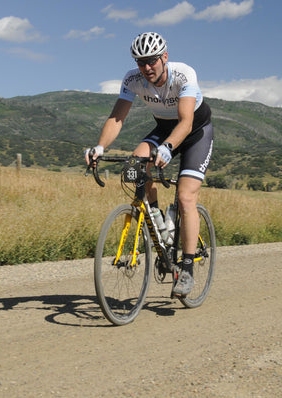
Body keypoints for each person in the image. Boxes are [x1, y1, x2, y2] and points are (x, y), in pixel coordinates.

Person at [84, 32, 214, 297]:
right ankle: (156, 218)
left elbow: (186, 122)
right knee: (134, 166)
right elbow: (117, 118)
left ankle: (187, 268)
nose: (146, 67)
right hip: (164, 128)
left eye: (152, 61)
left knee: (185, 197)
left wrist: (167, 147)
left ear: (164, 57)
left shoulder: (183, 75)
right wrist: (100, 147)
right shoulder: (132, 80)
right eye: (141, 62)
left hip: (195, 132)